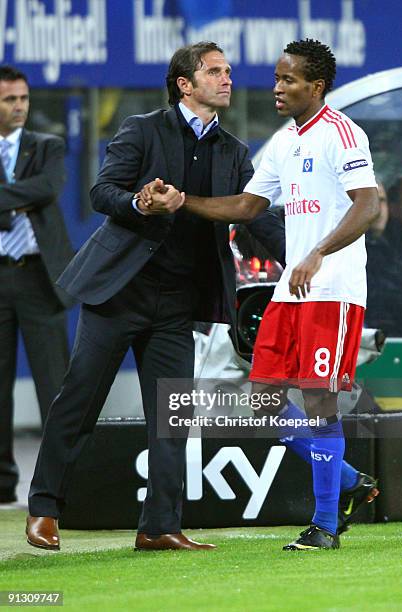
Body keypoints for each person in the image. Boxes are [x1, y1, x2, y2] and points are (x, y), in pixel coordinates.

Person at [25, 41, 286, 551]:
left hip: (179, 304)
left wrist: (311, 254)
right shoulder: (142, 129)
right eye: (215, 72)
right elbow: (104, 192)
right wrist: (140, 203)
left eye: (228, 71)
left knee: (172, 420)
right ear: (186, 84)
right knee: (79, 401)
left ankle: (159, 527)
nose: (227, 79)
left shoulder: (233, 152)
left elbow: (256, 218)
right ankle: (43, 509)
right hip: (120, 293)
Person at [139, 39, 380, 550]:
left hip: (331, 290)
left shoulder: (343, 133)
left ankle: (326, 525)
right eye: (276, 77)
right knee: (264, 402)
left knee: (319, 402)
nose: (277, 87)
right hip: (291, 293)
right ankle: (349, 482)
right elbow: (249, 206)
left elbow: (366, 205)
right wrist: (184, 202)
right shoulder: (286, 142)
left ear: (315, 86)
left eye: (289, 79)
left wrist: (317, 253)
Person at [0, 65, 74, 504]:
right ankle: (2, 483)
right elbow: (33, 193)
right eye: (10, 100)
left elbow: (48, 188)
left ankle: (62, 483)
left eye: (24, 98)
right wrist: (17, 201)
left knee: (55, 387)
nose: (20, 107)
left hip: (38, 278)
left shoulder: (48, 146)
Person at [365, 182, 402, 336]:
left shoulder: (401, 240)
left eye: (382, 200)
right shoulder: (345, 249)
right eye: (370, 200)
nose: (378, 208)